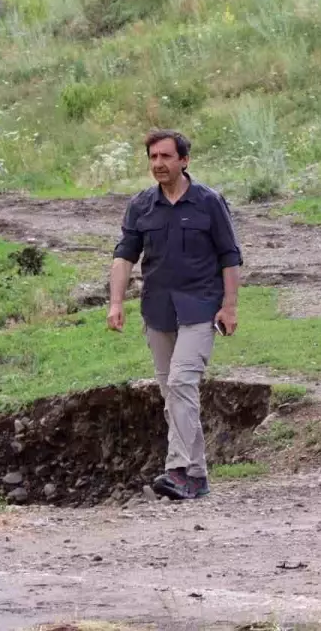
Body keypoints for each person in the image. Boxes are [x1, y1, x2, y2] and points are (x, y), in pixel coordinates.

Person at [108, 129, 242, 501]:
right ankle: (197, 477)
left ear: (184, 160)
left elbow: (230, 257)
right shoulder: (141, 206)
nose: (158, 164)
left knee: (183, 384)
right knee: (173, 393)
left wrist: (229, 306)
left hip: (200, 307)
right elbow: (124, 256)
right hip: (158, 310)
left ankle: (177, 469)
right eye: (153, 157)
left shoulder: (209, 202)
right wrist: (116, 302)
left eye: (166, 157)